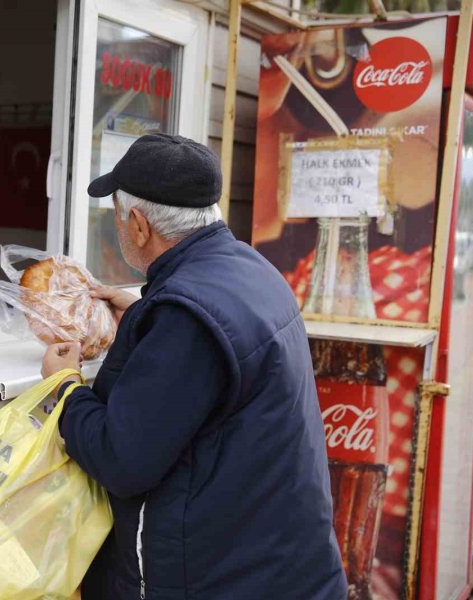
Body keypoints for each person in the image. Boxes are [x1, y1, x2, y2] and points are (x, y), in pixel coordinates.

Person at [41, 133, 347, 600]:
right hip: (283, 566)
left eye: (119, 216)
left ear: (139, 226)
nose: (119, 227)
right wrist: (147, 314)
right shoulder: (249, 268)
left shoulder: (184, 319)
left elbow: (121, 460)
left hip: (222, 581)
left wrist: (63, 388)